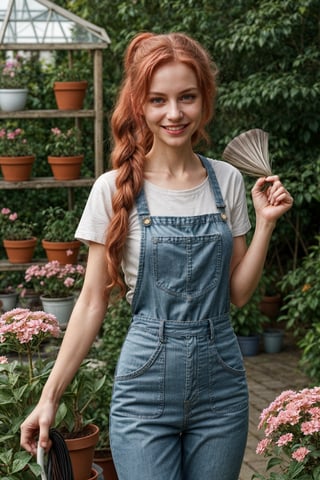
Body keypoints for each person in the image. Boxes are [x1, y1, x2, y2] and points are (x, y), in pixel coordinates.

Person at [20, 32, 293, 480]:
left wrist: (265, 223)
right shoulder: (112, 189)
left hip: (221, 387)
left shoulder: (226, 181)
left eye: (187, 97)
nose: (174, 113)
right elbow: (92, 302)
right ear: (139, 106)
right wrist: (49, 396)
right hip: (143, 387)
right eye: (158, 100)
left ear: (204, 100)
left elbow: (239, 295)